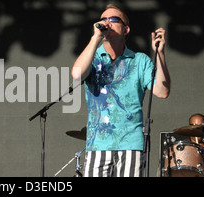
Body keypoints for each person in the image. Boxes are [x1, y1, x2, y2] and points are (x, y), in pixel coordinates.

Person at [72, 4, 170, 177]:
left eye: (113, 19)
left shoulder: (140, 60)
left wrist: (160, 53)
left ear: (126, 30)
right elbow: (77, 74)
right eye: (103, 19)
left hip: (130, 143)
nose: (107, 22)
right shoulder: (92, 57)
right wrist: (96, 38)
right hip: (98, 144)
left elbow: (162, 91)